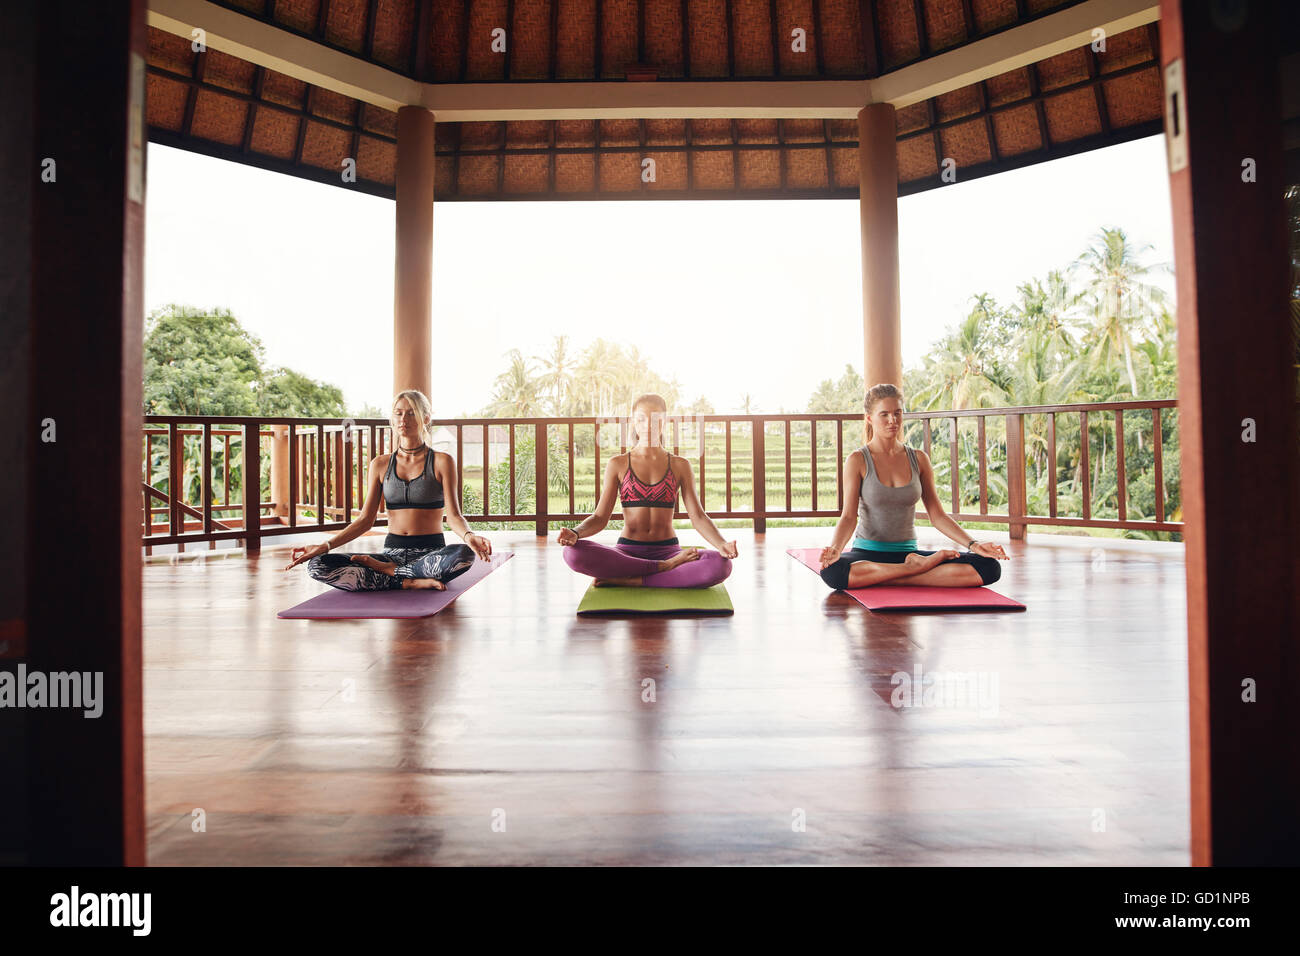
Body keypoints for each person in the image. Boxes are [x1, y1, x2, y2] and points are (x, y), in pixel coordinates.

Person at [283, 389, 491, 590]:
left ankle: (394, 574)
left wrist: (469, 536)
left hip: (430, 555)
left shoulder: (441, 461)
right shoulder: (380, 464)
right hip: (391, 554)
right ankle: (405, 579)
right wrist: (325, 546)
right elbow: (365, 520)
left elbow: (454, 516)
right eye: (398, 413)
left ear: (426, 419)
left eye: (411, 413)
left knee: (464, 555)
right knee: (318, 566)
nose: (403, 419)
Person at [819, 383, 1008, 590]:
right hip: (868, 553)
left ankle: (894, 575)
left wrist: (974, 545)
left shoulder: (919, 458)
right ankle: (915, 571)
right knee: (832, 572)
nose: (893, 420)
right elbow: (848, 516)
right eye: (884, 414)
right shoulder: (858, 460)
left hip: (908, 553)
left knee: (989, 567)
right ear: (869, 418)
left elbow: (937, 515)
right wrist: (836, 549)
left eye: (897, 413)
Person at [558, 393, 736, 588]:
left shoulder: (680, 465)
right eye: (641, 419)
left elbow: (698, 517)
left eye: (655, 419)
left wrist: (721, 544)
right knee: (572, 553)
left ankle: (635, 578)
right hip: (627, 552)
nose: (648, 426)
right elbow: (600, 517)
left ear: (664, 422)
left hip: (669, 551)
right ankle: (663, 569)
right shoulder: (617, 464)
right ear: (633, 422)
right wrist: (576, 533)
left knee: (721, 565)